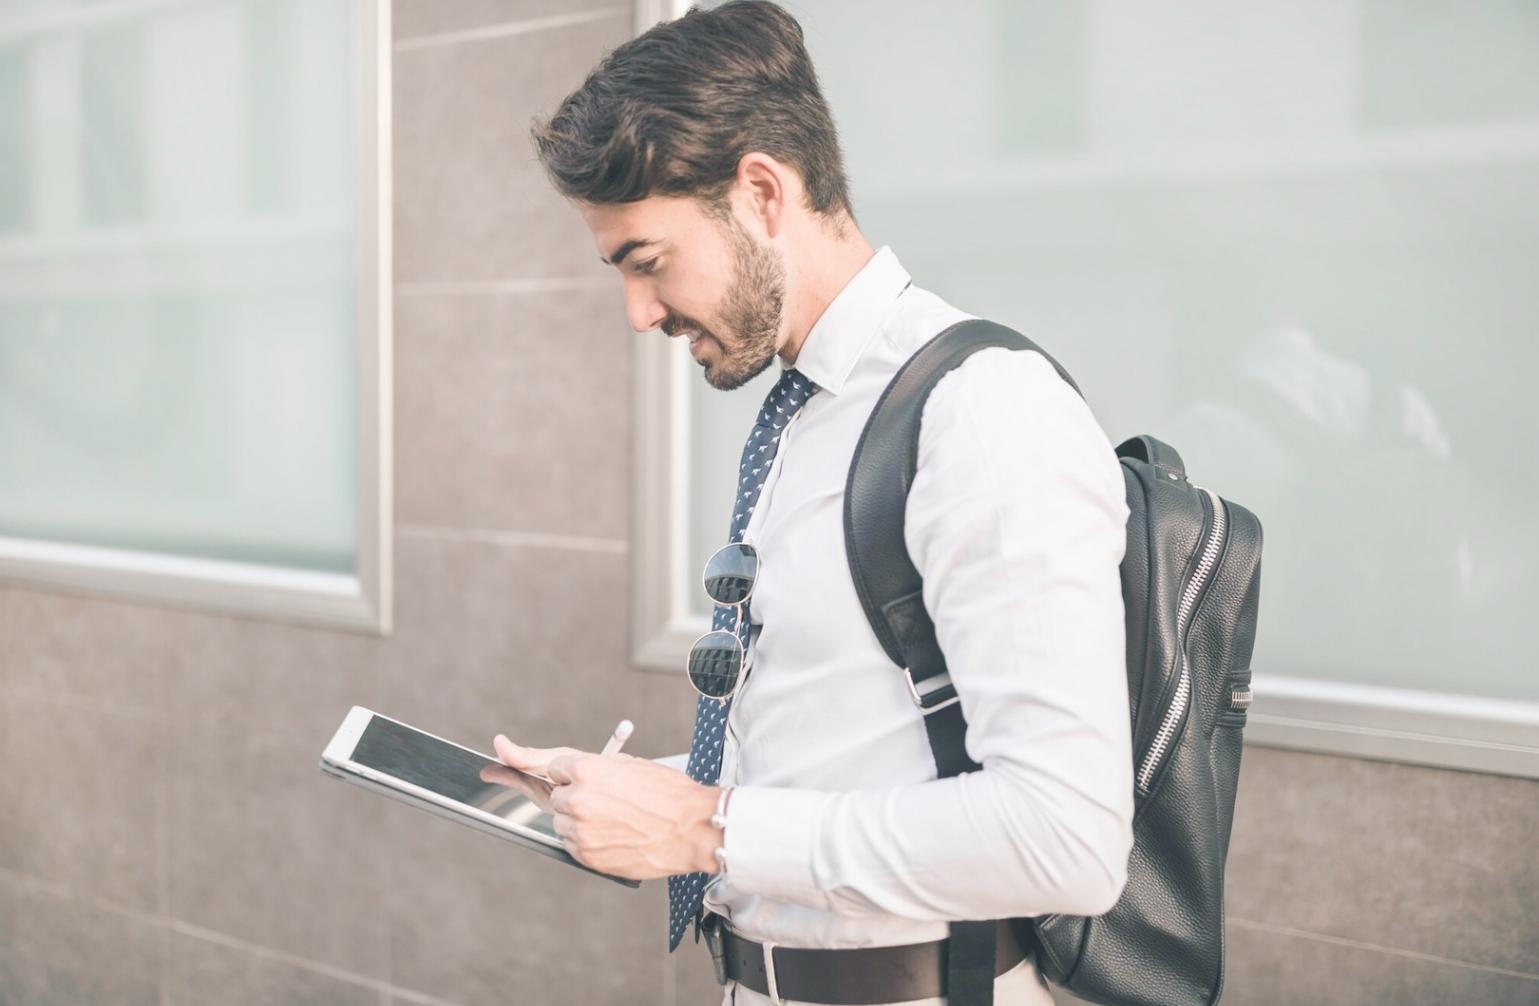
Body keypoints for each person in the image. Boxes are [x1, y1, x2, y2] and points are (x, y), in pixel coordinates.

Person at [487, 3, 1135, 1003]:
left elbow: (1067, 838)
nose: (639, 313)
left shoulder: (979, 410)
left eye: (648, 262)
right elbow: (842, 744)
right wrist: (638, 798)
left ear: (760, 193)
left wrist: (706, 828)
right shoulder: (808, 409)